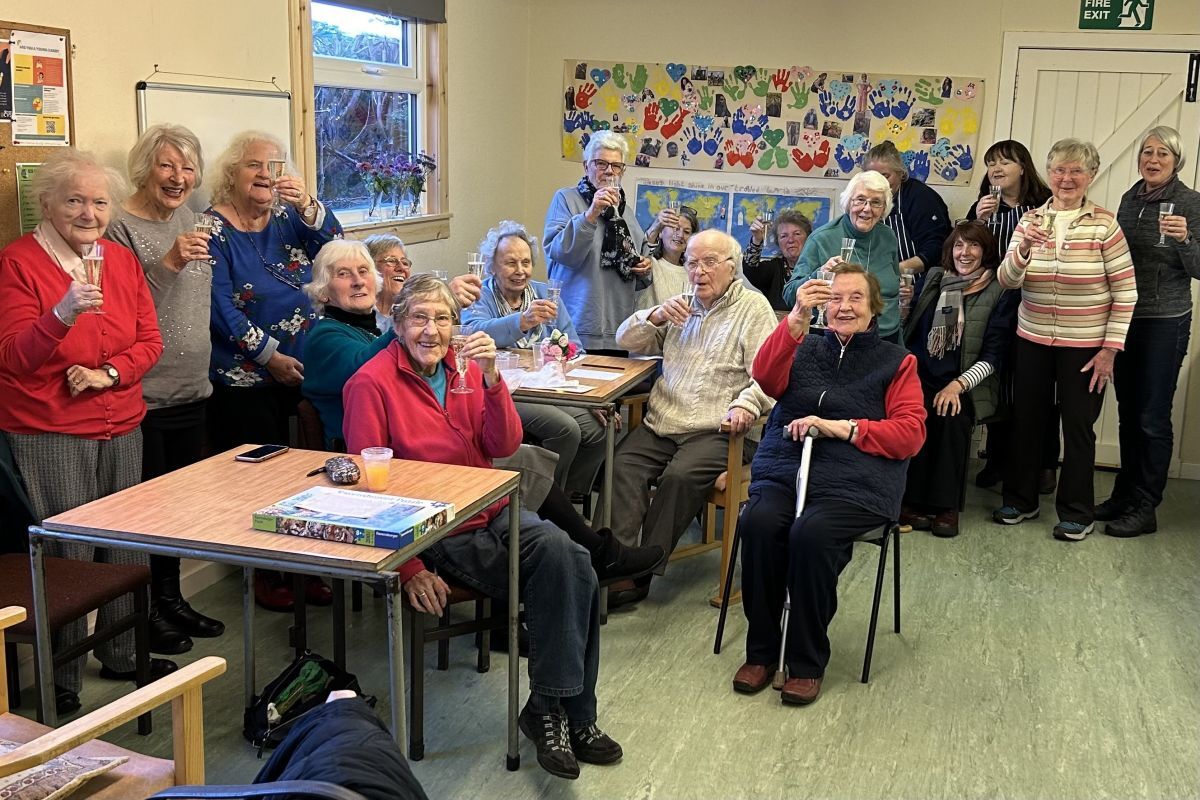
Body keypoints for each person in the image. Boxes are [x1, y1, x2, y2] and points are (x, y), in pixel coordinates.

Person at [343, 274, 623, 780]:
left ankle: (553, 710)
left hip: (494, 510)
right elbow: (369, 493)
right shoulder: (369, 384)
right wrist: (407, 571)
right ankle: (569, 714)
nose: (432, 330)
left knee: (576, 559)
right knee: (571, 563)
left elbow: (503, 444)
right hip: (437, 532)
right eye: (420, 318)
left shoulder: (466, 370)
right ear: (398, 323)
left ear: (456, 325)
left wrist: (495, 382)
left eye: (443, 318)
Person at [0, 148, 172, 715]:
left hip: (122, 422)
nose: (88, 212)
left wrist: (109, 372)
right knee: (67, 558)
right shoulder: (19, 263)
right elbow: (13, 358)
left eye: (99, 202)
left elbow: (150, 340)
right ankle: (62, 678)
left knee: (124, 546)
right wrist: (63, 313)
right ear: (46, 203)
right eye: (74, 199)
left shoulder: (119, 261)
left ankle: (124, 653)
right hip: (49, 431)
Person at [732, 263, 925, 706]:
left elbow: (910, 433)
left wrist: (843, 428)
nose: (844, 306)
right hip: (786, 468)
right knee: (760, 523)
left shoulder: (898, 362)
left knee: (811, 534)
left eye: (856, 298)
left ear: (874, 309)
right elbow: (765, 377)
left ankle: (805, 661)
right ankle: (761, 652)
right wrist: (795, 318)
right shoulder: (804, 345)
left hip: (857, 481)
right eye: (835, 298)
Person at [206, 130, 342, 611]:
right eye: (255, 165)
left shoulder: (288, 217)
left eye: (276, 166)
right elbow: (218, 306)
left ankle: (308, 566)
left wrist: (309, 204)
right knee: (260, 482)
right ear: (231, 173)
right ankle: (268, 574)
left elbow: (336, 247)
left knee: (308, 473)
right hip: (246, 378)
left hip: (307, 364)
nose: (267, 175)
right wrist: (270, 356)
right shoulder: (214, 230)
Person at [601, 230, 776, 604]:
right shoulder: (680, 304)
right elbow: (625, 340)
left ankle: (641, 571)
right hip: (664, 422)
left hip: (721, 430)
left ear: (733, 267)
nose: (699, 272)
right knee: (621, 466)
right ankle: (616, 561)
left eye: (709, 262)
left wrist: (746, 406)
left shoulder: (753, 309)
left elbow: (769, 377)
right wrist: (654, 315)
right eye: (692, 263)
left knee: (679, 477)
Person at [107, 123, 225, 656]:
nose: (179, 178)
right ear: (144, 168)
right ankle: (148, 610)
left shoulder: (194, 220)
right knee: (146, 512)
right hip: (145, 394)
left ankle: (172, 598)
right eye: (167, 166)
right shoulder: (118, 230)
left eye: (187, 168)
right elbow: (120, 313)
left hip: (192, 389)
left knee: (178, 509)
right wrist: (171, 262)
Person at [992, 138, 1137, 542]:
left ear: (1090, 176)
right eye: (1059, 170)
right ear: (1049, 173)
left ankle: (1077, 511)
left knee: (1077, 427)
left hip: (1086, 345)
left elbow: (1126, 292)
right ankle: (1021, 500)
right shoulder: (1030, 220)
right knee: (1027, 421)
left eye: (1076, 171)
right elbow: (1006, 280)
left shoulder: (1104, 223)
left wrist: (1110, 349)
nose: (1066, 178)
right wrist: (1021, 251)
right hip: (1033, 338)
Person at [1100, 126, 1200, 537]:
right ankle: (1125, 493)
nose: (1152, 159)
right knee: (1127, 411)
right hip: (1126, 319)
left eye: (1162, 153)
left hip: (1166, 321)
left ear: (1176, 160)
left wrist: (1186, 239)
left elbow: (1199, 268)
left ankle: (1146, 505)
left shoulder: (1191, 203)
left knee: (1152, 416)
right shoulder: (1129, 198)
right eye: (1147, 152)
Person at [462, 220, 608, 495]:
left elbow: (574, 345)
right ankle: (547, 503)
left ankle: (567, 496)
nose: (520, 271)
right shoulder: (479, 295)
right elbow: (472, 332)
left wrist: (589, 397)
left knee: (600, 429)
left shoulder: (545, 294)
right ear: (492, 265)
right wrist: (522, 321)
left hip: (550, 387)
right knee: (566, 429)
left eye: (526, 262)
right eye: (510, 263)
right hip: (504, 390)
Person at [901, 222, 1016, 537]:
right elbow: (908, 327)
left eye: (974, 246)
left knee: (951, 416)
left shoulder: (999, 290)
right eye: (959, 246)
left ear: (986, 251)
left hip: (967, 381)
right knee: (914, 411)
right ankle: (911, 500)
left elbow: (995, 356)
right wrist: (903, 303)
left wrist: (958, 384)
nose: (965, 253)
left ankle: (945, 506)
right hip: (921, 373)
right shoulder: (935, 279)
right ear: (950, 251)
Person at [966, 140, 1058, 493]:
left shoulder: (1046, 205)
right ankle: (998, 459)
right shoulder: (985, 207)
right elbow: (969, 254)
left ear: (1023, 167)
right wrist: (978, 220)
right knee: (999, 381)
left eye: (1004, 161)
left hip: (1037, 303)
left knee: (1038, 387)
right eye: (991, 164)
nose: (996, 169)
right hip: (996, 304)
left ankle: (1045, 464)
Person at [544, 130, 654, 354]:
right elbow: (560, 253)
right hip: (575, 329)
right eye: (601, 163)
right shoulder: (566, 199)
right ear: (586, 166)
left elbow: (642, 272)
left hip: (618, 330)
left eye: (616, 166)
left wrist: (644, 267)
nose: (609, 171)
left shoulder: (626, 213)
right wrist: (591, 213)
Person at [784, 171, 903, 342]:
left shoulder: (888, 237)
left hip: (886, 339)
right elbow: (789, 294)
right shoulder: (822, 238)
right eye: (860, 200)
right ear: (848, 202)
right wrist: (820, 275)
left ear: (884, 208)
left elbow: (893, 294)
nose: (867, 209)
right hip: (837, 342)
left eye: (876, 202)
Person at [364, 233, 483, 334]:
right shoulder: (363, 312)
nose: (401, 268)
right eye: (391, 261)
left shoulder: (408, 305)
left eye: (405, 263)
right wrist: (444, 299)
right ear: (370, 268)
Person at [863, 140, 951, 276]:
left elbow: (936, 248)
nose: (878, 183)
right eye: (872, 177)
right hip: (879, 279)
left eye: (885, 176)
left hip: (919, 281)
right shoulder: (863, 200)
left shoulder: (920, 197)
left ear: (900, 173)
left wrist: (894, 272)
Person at [743, 209, 812, 311]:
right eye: (784, 236)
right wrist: (757, 240)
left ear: (809, 238)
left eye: (797, 234)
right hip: (778, 326)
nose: (791, 240)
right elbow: (750, 268)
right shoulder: (774, 268)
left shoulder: (818, 268)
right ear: (778, 242)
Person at [637, 205, 697, 310]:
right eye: (675, 228)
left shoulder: (692, 273)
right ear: (660, 232)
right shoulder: (649, 264)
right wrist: (655, 227)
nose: (680, 235)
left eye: (686, 232)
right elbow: (639, 256)